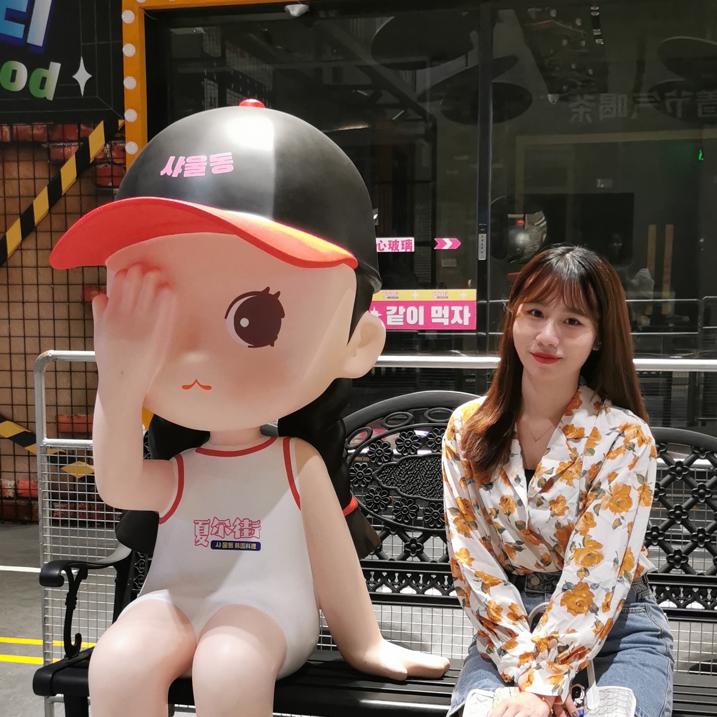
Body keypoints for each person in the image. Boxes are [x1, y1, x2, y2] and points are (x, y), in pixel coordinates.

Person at [49, 103, 448, 717]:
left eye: (254, 320)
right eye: (161, 321)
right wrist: (121, 382)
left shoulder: (296, 463)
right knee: (119, 661)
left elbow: (334, 565)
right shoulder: (183, 469)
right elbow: (117, 483)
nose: (192, 355)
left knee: (230, 663)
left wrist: (365, 644)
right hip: (174, 601)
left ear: (358, 343)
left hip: (268, 613)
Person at [442, 245, 673, 717]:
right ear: (513, 316)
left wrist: (545, 686)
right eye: (535, 312)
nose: (548, 335)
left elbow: (599, 572)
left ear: (598, 337)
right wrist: (530, 674)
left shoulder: (623, 437)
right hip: (507, 636)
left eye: (572, 321)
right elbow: (472, 562)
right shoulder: (467, 429)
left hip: (618, 629)